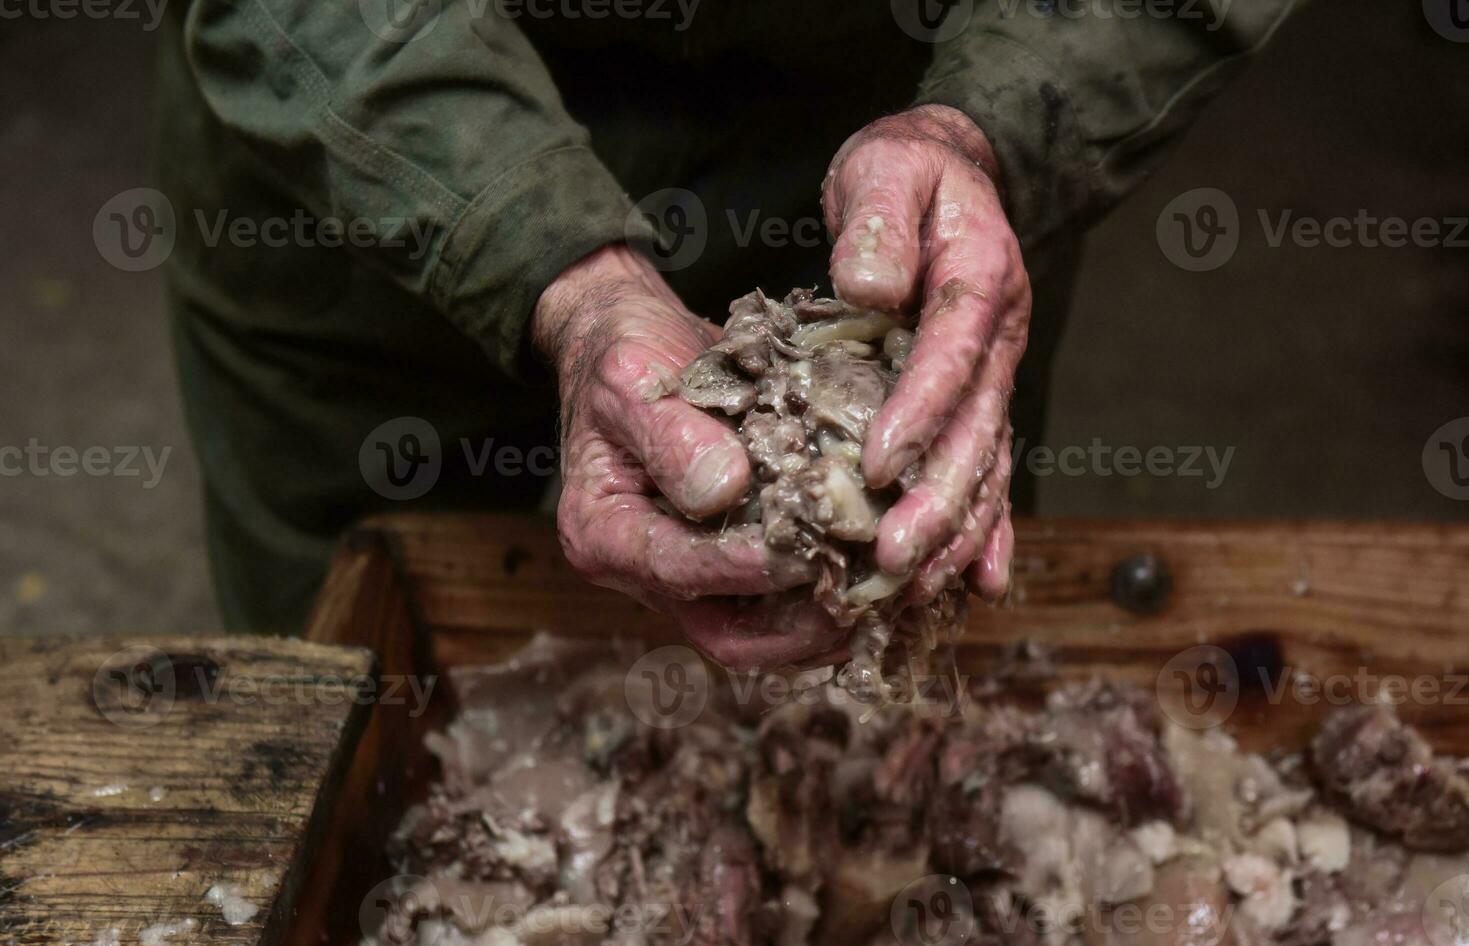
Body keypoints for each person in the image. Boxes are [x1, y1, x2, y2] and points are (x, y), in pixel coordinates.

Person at [156, 0, 1298, 662]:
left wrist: (986, 120)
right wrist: (542, 254)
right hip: (379, 164)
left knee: (881, 641)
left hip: (892, 151)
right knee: (375, 701)